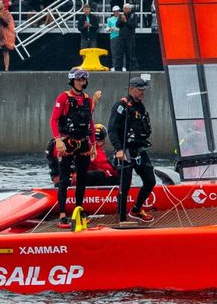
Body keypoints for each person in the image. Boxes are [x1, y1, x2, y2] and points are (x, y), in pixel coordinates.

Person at [50, 68, 102, 227]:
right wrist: (57, 140)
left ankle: (78, 209)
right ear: (72, 81)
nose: (81, 82)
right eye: (78, 80)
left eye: (83, 80)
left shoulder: (87, 99)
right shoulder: (63, 97)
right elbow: (53, 120)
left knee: (82, 178)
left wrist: (93, 144)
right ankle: (62, 213)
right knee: (65, 179)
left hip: (83, 142)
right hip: (67, 142)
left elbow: (90, 123)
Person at [108, 75, 157, 223]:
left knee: (150, 181)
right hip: (125, 151)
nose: (143, 92)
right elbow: (112, 129)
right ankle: (122, 219)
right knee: (125, 185)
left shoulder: (140, 106)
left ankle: (136, 210)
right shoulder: (121, 106)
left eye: (144, 90)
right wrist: (118, 149)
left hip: (139, 150)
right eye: (140, 90)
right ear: (131, 89)